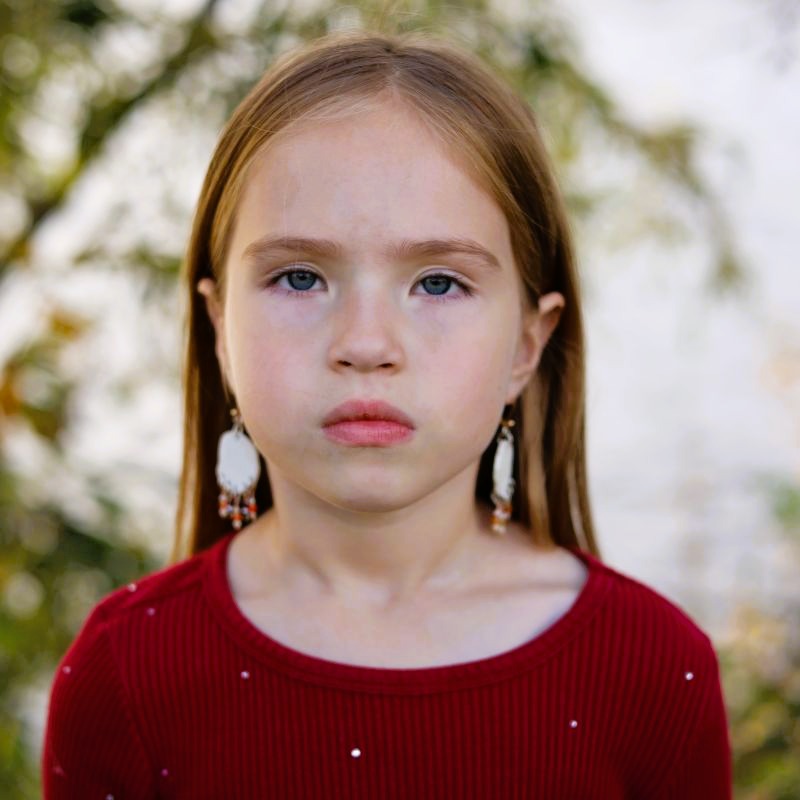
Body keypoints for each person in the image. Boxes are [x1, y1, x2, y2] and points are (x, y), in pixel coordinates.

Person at [40, 27, 733, 799]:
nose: (366, 344)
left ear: (526, 346)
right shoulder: (127, 671)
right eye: (300, 278)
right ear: (220, 330)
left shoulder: (651, 670)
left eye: (438, 284)